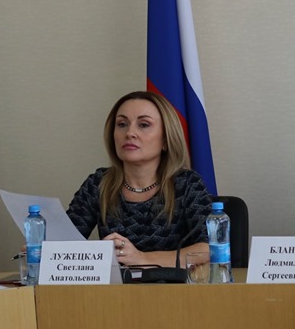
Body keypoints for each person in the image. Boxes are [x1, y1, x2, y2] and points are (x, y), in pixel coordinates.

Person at [66, 91, 212, 267]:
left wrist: (142, 258)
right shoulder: (99, 183)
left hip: (172, 285)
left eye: (143, 125)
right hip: (115, 285)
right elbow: (63, 245)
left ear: (166, 139)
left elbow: (210, 249)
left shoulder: (187, 184)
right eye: (122, 124)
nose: (130, 133)